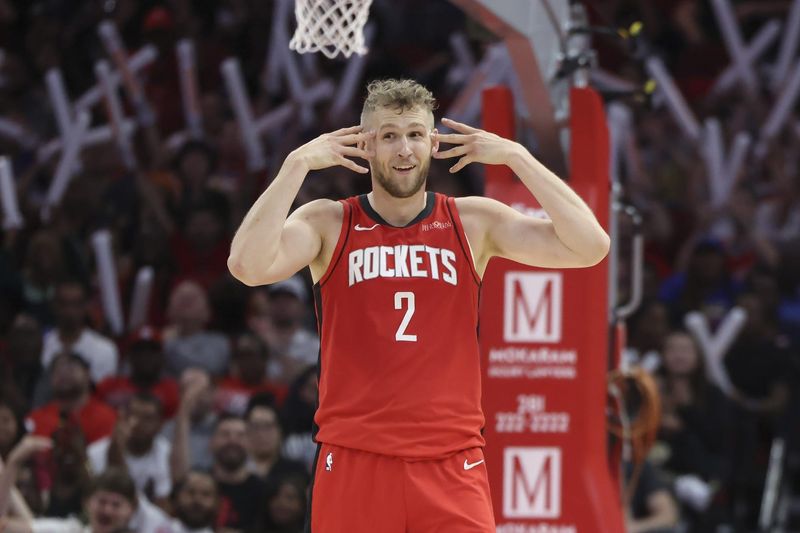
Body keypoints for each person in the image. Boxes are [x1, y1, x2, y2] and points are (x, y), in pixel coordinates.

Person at [227, 78, 609, 531]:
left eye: (414, 135)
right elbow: (247, 267)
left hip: (451, 461)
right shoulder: (328, 221)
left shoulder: (472, 221)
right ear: (365, 144)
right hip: (355, 458)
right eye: (388, 135)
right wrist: (295, 166)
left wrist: (516, 156)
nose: (403, 149)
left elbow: (591, 246)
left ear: (432, 142)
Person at [87, 393, 172, 506]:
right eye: (133, 415)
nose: (137, 423)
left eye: (147, 418)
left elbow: (162, 505)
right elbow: (97, 499)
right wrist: (116, 450)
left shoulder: (166, 452)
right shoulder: (95, 452)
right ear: (123, 417)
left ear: (160, 424)